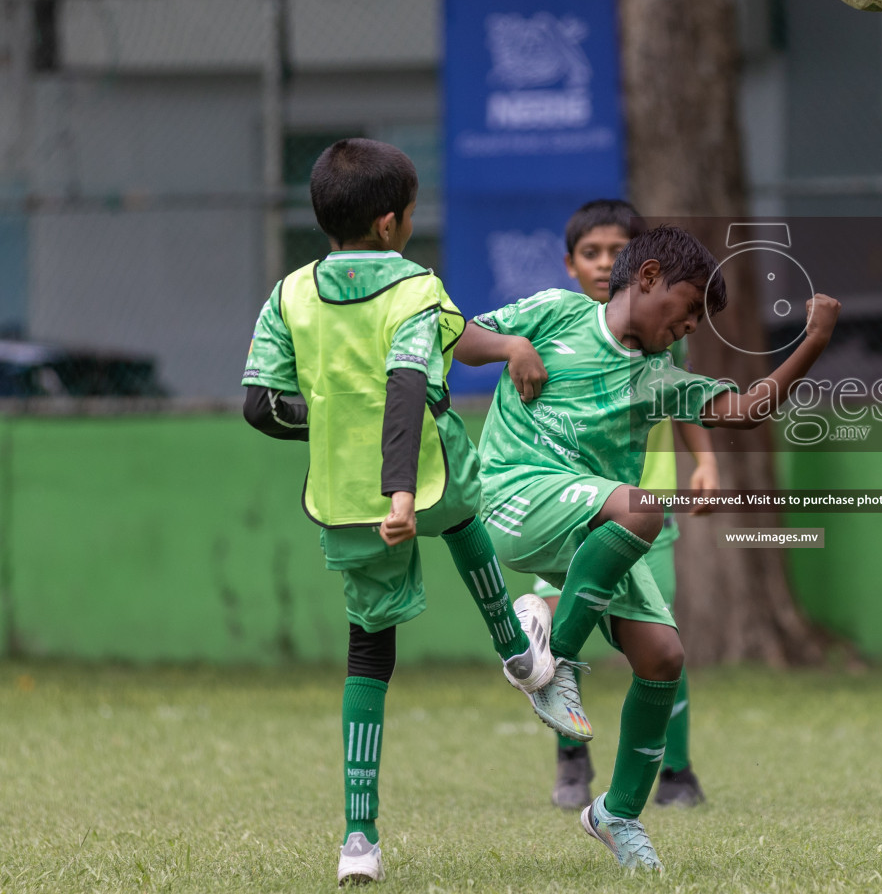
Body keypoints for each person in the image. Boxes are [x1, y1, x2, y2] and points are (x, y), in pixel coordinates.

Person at [456, 224, 840, 870]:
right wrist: (511, 345)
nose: (689, 327)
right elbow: (459, 336)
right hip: (513, 498)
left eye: (697, 322)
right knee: (643, 507)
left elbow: (745, 410)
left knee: (663, 657)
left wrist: (815, 342)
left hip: (593, 522)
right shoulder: (555, 313)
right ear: (651, 276)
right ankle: (558, 663)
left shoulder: (660, 377)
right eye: (688, 309)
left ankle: (618, 814)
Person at [239, 138, 553, 885]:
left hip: (342, 498)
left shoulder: (289, 293)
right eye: (412, 212)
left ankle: (358, 839)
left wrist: (336, 425)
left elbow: (259, 406)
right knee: (465, 516)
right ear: (388, 223)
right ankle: (515, 648)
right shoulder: (416, 287)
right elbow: (412, 382)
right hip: (424, 479)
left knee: (368, 649)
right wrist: (404, 491)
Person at [530, 200, 718, 811]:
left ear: (644, 269)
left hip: (645, 514)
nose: (603, 261)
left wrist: (707, 463)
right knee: (560, 631)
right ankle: (571, 761)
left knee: (661, 642)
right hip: (565, 510)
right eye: (591, 252)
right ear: (570, 264)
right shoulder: (554, 328)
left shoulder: (664, 339)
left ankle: (678, 772)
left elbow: (685, 403)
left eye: (616, 250)